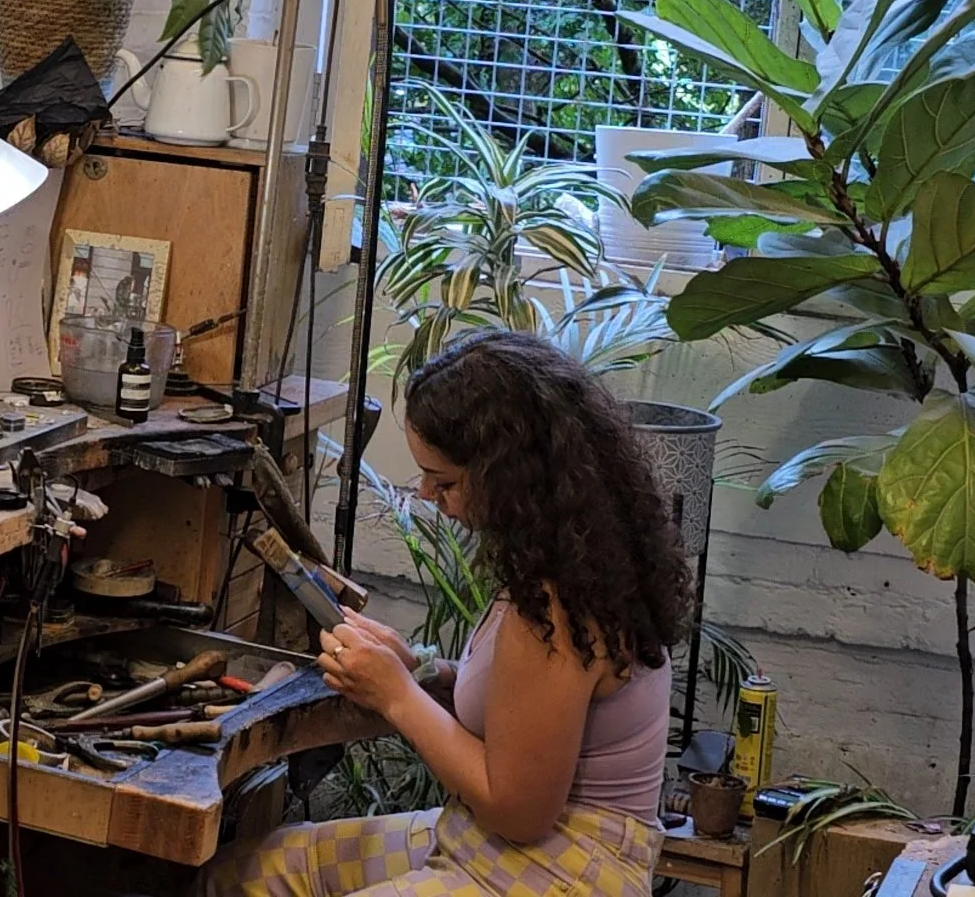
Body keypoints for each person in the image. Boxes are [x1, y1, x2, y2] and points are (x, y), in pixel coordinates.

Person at [205, 330, 691, 896]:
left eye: (446, 481)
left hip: (564, 869)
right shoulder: (567, 556)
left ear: (512, 476)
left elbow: (519, 809)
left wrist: (397, 694)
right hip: (489, 840)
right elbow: (526, 714)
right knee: (249, 874)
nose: (430, 496)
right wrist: (424, 672)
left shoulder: (560, 606)